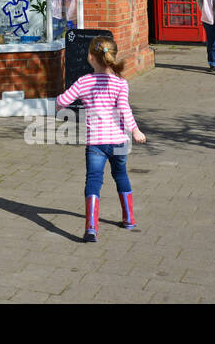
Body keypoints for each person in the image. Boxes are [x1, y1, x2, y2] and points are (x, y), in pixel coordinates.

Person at [54, 36, 146, 242]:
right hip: (119, 141)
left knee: (94, 180)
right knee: (121, 175)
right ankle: (129, 218)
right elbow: (124, 109)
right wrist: (135, 130)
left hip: (96, 143)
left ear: (90, 57)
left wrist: (59, 105)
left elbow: (63, 100)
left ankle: (91, 228)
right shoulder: (121, 83)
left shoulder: (84, 82)